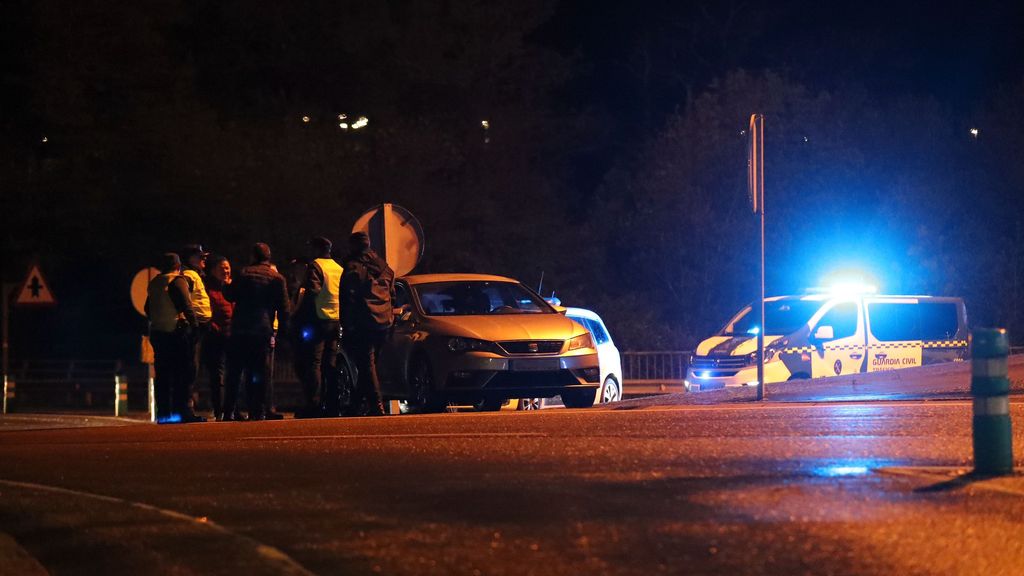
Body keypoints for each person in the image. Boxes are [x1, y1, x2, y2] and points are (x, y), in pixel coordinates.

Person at [223, 243, 290, 421]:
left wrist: (226, 285)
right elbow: (284, 309)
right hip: (262, 330)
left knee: (235, 371)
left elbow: (230, 295)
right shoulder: (277, 278)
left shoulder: (244, 273)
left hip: (240, 329)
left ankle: (229, 410)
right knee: (260, 372)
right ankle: (258, 411)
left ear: (253, 256)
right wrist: (283, 334)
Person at [339, 232, 395, 416]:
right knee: (369, 365)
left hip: (363, 322)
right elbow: (392, 295)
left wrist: (347, 324)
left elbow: (347, 299)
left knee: (366, 365)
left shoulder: (352, 268)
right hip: (384, 323)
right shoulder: (385, 267)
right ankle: (356, 405)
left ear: (353, 246)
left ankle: (376, 406)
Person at [145, 253, 205, 423]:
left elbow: (147, 308)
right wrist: (195, 327)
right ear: (178, 266)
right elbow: (187, 306)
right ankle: (182, 413)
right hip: (176, 334)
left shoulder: (154, 283)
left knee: (163, 376)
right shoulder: (177, 281)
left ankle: (164, 414)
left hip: (158, 333)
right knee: (182, 375)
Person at [294, 236, 344, 417]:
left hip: (319, 320)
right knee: (330, 365)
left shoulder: (315, 266)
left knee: (314, 364)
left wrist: (301, 316)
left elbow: (312, 292)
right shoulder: (338, 268)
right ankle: (333, 404)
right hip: (336, 321)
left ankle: (313, 405)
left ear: (317, 249)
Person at [181, 244, 212, 412]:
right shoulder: (188, 275)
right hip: (192, 328)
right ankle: (186, 407)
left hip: (198, 328)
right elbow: (185, 302)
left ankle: (188, 406)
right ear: (191, 258)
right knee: (190, 367)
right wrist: (193, 323)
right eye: (200, 256)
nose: (204, 259)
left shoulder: (194, 274)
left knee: (194, 367)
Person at [202, 255, 233, 421]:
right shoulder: (208, 288)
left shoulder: (233, 287)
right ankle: (219, 409)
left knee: (234, 374)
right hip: (215, 336)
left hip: (233, 335)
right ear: (213, 271)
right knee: (217, 375)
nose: (226, 271)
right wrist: (213, 326)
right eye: (222, 268)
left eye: (227, 268)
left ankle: (232, 409)